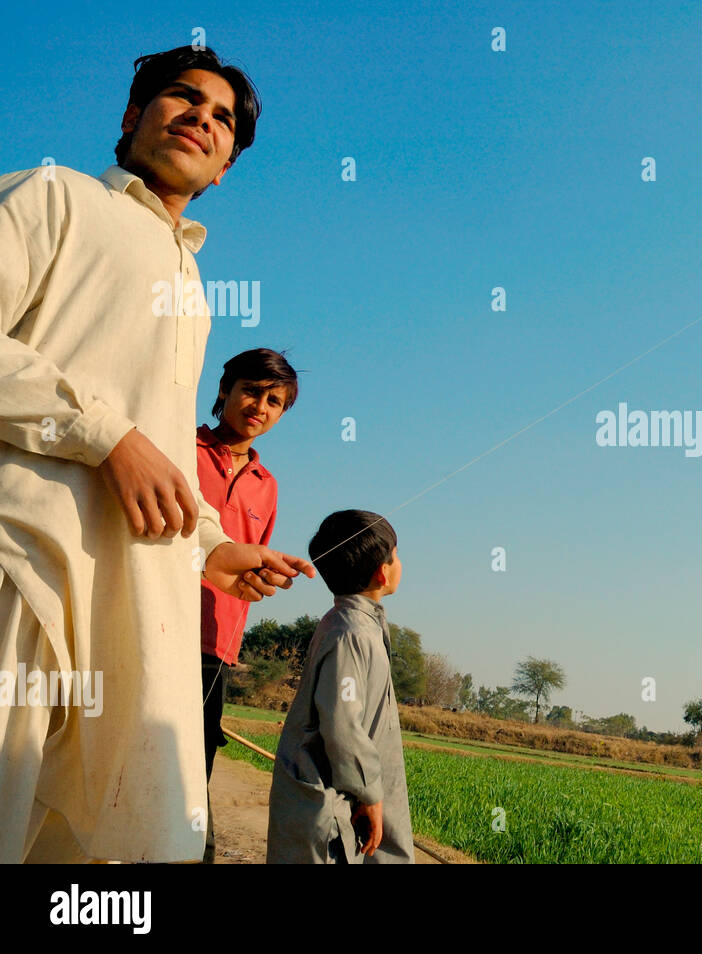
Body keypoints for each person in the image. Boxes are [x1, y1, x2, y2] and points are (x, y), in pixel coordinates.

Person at [0, 46, 313, 863]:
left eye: (224, 122)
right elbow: (127, 435)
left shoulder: (190, 282)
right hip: (24, 565)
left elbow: (162, 444)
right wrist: (103, 436)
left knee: (91, 850)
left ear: (224, 170)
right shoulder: (54, 195)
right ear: (132, 117)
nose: (202, 120)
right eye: (183, 98)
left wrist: (212, 549)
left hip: (133, 606)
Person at [196, 348, 299, 862]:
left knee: (196, 761)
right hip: (156, 625)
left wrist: (267, 576)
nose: (261, 405)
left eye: (275, 400)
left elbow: (248, 566)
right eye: (252, 391)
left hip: (216, 646)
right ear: (224, 391)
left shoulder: (267, 485)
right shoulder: (179, 447)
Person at [267, 510, 414, 864]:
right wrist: (369, 794)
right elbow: (342, 725)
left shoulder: (355, 624)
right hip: (332, 805)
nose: (401, 562)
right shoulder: (352, 634)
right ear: (383, 571)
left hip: (346, 799)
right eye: (396, 554)